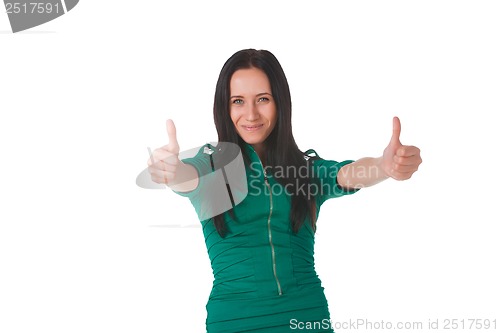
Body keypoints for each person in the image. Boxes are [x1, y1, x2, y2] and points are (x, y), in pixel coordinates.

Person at [147, 49, 422, 332]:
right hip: (234, 320)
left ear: (280, 103)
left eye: (263, 99)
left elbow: (347, 173)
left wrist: (384, 165)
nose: (251, 114)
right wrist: (171, 171)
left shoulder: (304, 168)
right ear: (224, 108)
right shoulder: (212, 165)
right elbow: (187, 177)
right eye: (238, 101)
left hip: (305, 317)